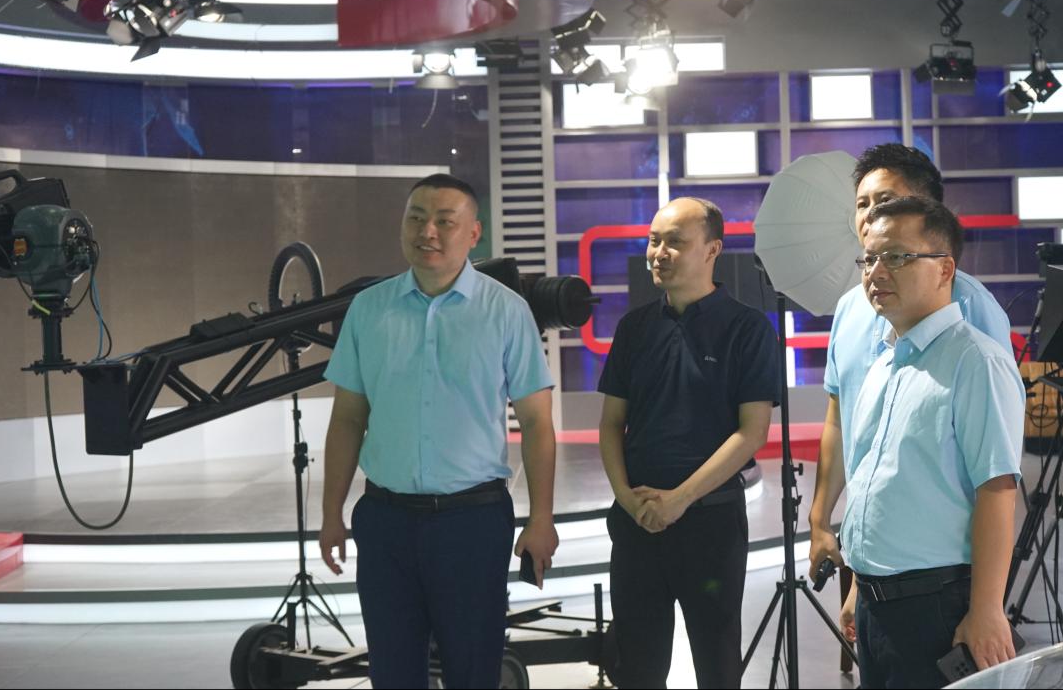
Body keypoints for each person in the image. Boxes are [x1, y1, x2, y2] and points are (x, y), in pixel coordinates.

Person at [318, 173, 559, 689]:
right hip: (385, 522)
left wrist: (542, 519)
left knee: (473, 671)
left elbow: (538, 423)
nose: (427, 231)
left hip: (472, 522)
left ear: (473, 233)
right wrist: (331, 513)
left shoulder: (507, 311)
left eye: (445, 221)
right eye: (416, 218)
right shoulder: (368, 309)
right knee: (392, 672)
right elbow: (347, 418)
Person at [808, 144, 1013, 642]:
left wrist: (987, 605)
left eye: (886, 201)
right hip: (877, 563)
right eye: (862, 204)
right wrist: (824, 522)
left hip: (937, 573)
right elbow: (843, 423)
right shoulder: (859, 316)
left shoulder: (972, 321)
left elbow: (994, 474)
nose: (870, 215)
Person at [597, 197, 780, 688]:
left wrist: (679, 499)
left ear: (712, 250)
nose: (659, 252)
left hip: (710, 526)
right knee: (637, 669)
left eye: (675, 242)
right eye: (654, 240)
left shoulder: (747, 329)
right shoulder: (634, 328)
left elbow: (752, 432)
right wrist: (626, 499)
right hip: (637, 522)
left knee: (717, 668)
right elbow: (611, 424)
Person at [841, 195, 1024, 687]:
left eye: (897, 257)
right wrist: (858, 585)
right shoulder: (884, 363)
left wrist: (987, 609)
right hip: (877, 607)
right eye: (869, 259)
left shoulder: (976, 362)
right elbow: (873, 483)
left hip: (935, 608)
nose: (877, 272)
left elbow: (997, 489)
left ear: (945, 269)